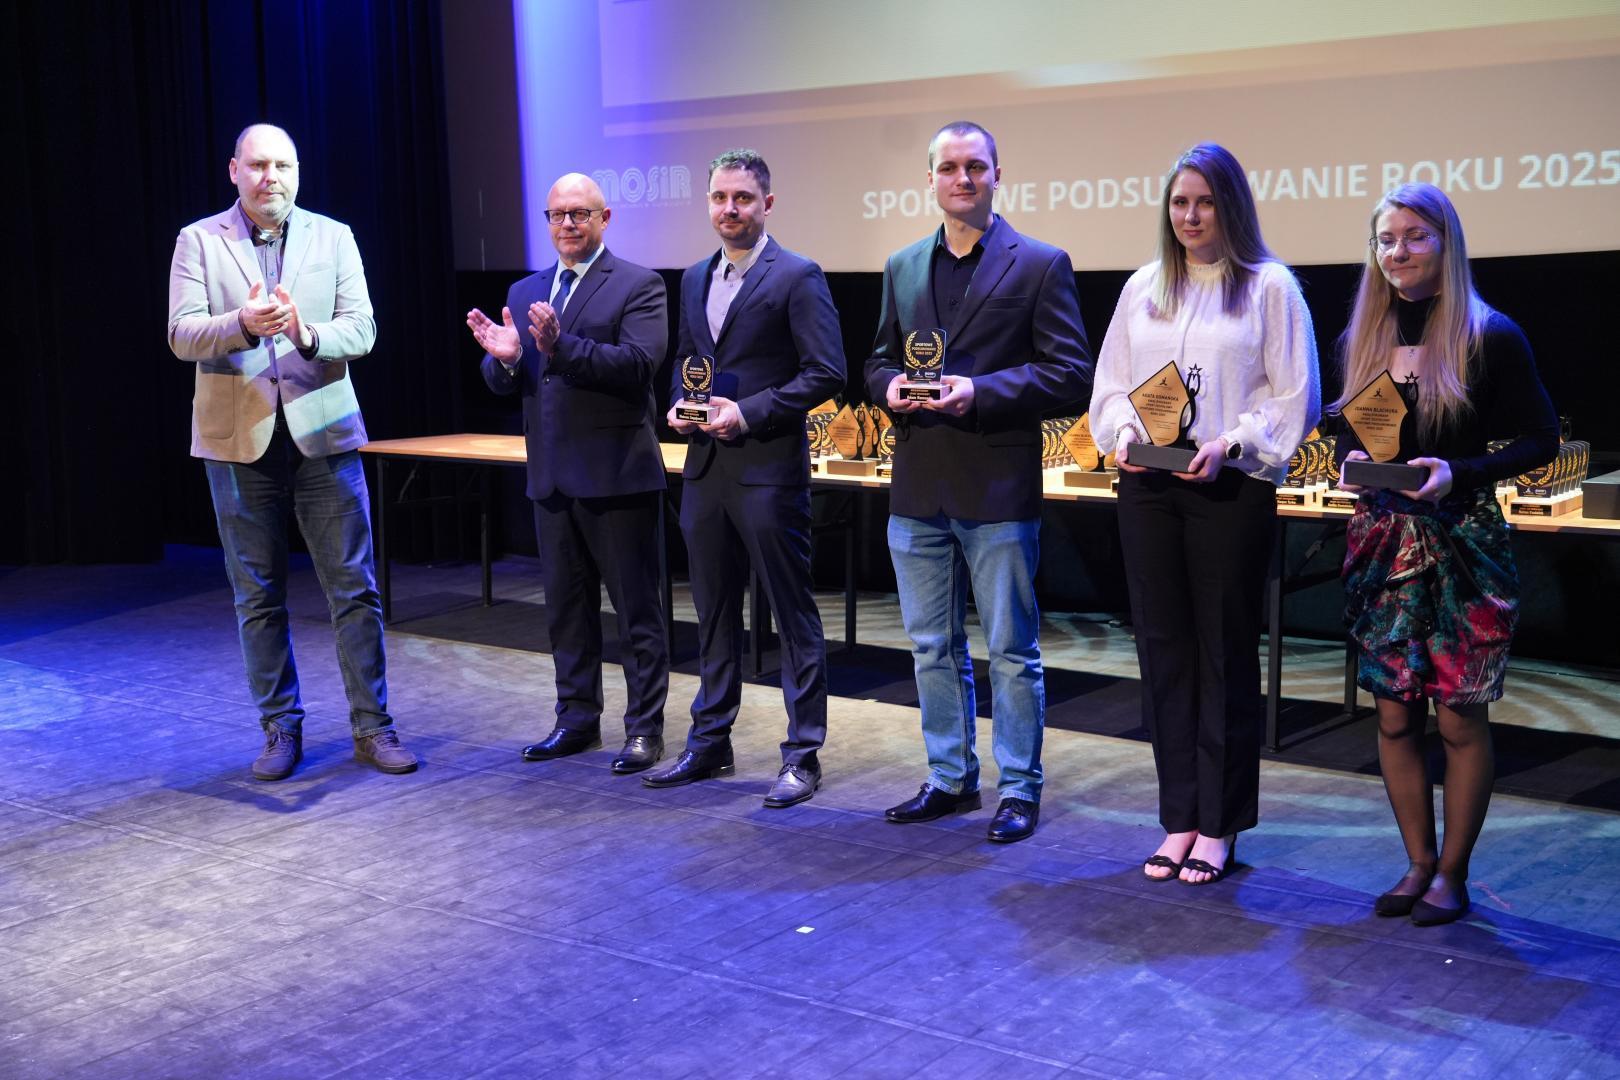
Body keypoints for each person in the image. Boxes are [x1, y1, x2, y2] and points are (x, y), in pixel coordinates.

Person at [1090, 142, 1319, 883]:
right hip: (1148, 489)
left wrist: (1232, 442)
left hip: (1229, 488)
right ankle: (1179, 818)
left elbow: (1295, 397)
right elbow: (1111, 387)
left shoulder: (1270, 287)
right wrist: (1122, 435)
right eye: (1180, 203)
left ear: (1232, 207)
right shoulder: (1143, 288)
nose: (1190, 216)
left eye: (1206, 202)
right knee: (1163, 653)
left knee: (1223, 654)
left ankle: (1219, 826)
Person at [1333, 182, 1557, 925]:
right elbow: (1350, 428)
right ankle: (1417, 864)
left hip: (1463, 544)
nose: (1397, 252)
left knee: (1460, 720)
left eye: (1414, 236)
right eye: (1385, 240)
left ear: (1446, 243)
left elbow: (1542, 439)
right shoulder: (1363, 332)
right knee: (1395, 716)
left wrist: (1458, 472)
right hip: (1381, 543)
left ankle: (1452, 874)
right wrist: (1353, 458)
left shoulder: (1491, 333)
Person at [167, 123, 417, 780]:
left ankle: (373, 726)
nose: (270, 177)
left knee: (354, 588)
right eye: (257, 166)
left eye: (282, 165)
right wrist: (241, 324)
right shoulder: (199, 240)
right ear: (235, 171)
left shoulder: (334, 236)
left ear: (297, 171)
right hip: (238, 442)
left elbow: (362, 329)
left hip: (323, 433)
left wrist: (308, 334)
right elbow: (182, 334)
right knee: (257, 596)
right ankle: (280, 726)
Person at [866, 121, 1092, 843]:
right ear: (930, 179)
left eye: (975, 167)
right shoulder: (902, 264)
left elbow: (1070, 373)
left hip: (997, 487)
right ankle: (949, 777)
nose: (961, 179)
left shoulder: (1040, 263)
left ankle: (1019, 788)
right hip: (918, 487)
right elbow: (876, 359)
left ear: (998, 175)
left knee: (1012, 650)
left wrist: (981, 391)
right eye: (948, 168)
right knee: (931, 646)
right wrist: (887, 386)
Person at [644, 149, 845, 808]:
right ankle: (710, 742)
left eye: (742, 198)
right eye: (719, 198)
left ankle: (802, 754)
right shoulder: (694, 276)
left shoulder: (798, 275)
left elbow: (826, 372)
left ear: (767, 204)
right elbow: (686, 360)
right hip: (704, 469)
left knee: (791, 614)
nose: (729, 209)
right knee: (712, 613)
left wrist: (748, 413)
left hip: (767, 470)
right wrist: (680, 405)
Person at [467, 173, 671, 775]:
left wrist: (561, 346)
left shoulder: (639, 284)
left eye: (579, 214)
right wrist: (506, 361)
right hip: (551, 478)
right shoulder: (527, 288)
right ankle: (576, 719)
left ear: (604, 218)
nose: (567, 225)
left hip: (618, 477)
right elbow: (510, 379)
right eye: (556, 215)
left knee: (636, 613)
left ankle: (645, 729)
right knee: (567, 610)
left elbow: (638, 365)